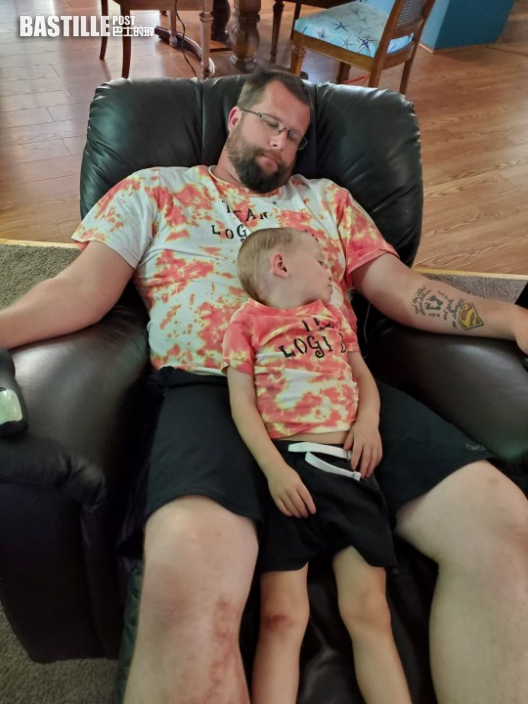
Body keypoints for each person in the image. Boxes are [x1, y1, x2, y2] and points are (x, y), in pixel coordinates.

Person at [0, 70, 527, 704]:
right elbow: (80, 290)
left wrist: (508, 318)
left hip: (337, 386)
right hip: (210, 391)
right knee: (186, 584)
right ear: (234, 118)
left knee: (505, 527)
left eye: (296, 136)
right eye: (271, 123)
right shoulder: (156, 189)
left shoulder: (329, 202)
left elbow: (403, 290)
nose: (281, 143)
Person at [223, 226, 412, 704]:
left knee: (370, 613)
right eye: (322, 260)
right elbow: (242, 405)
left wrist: (368, 422)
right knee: (282, 617)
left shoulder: (333, 317)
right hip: (292, 477)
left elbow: (363, 378)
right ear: (281, 265)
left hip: (350, 469)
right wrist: (273, 469)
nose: (332, 270)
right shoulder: (246, 323)